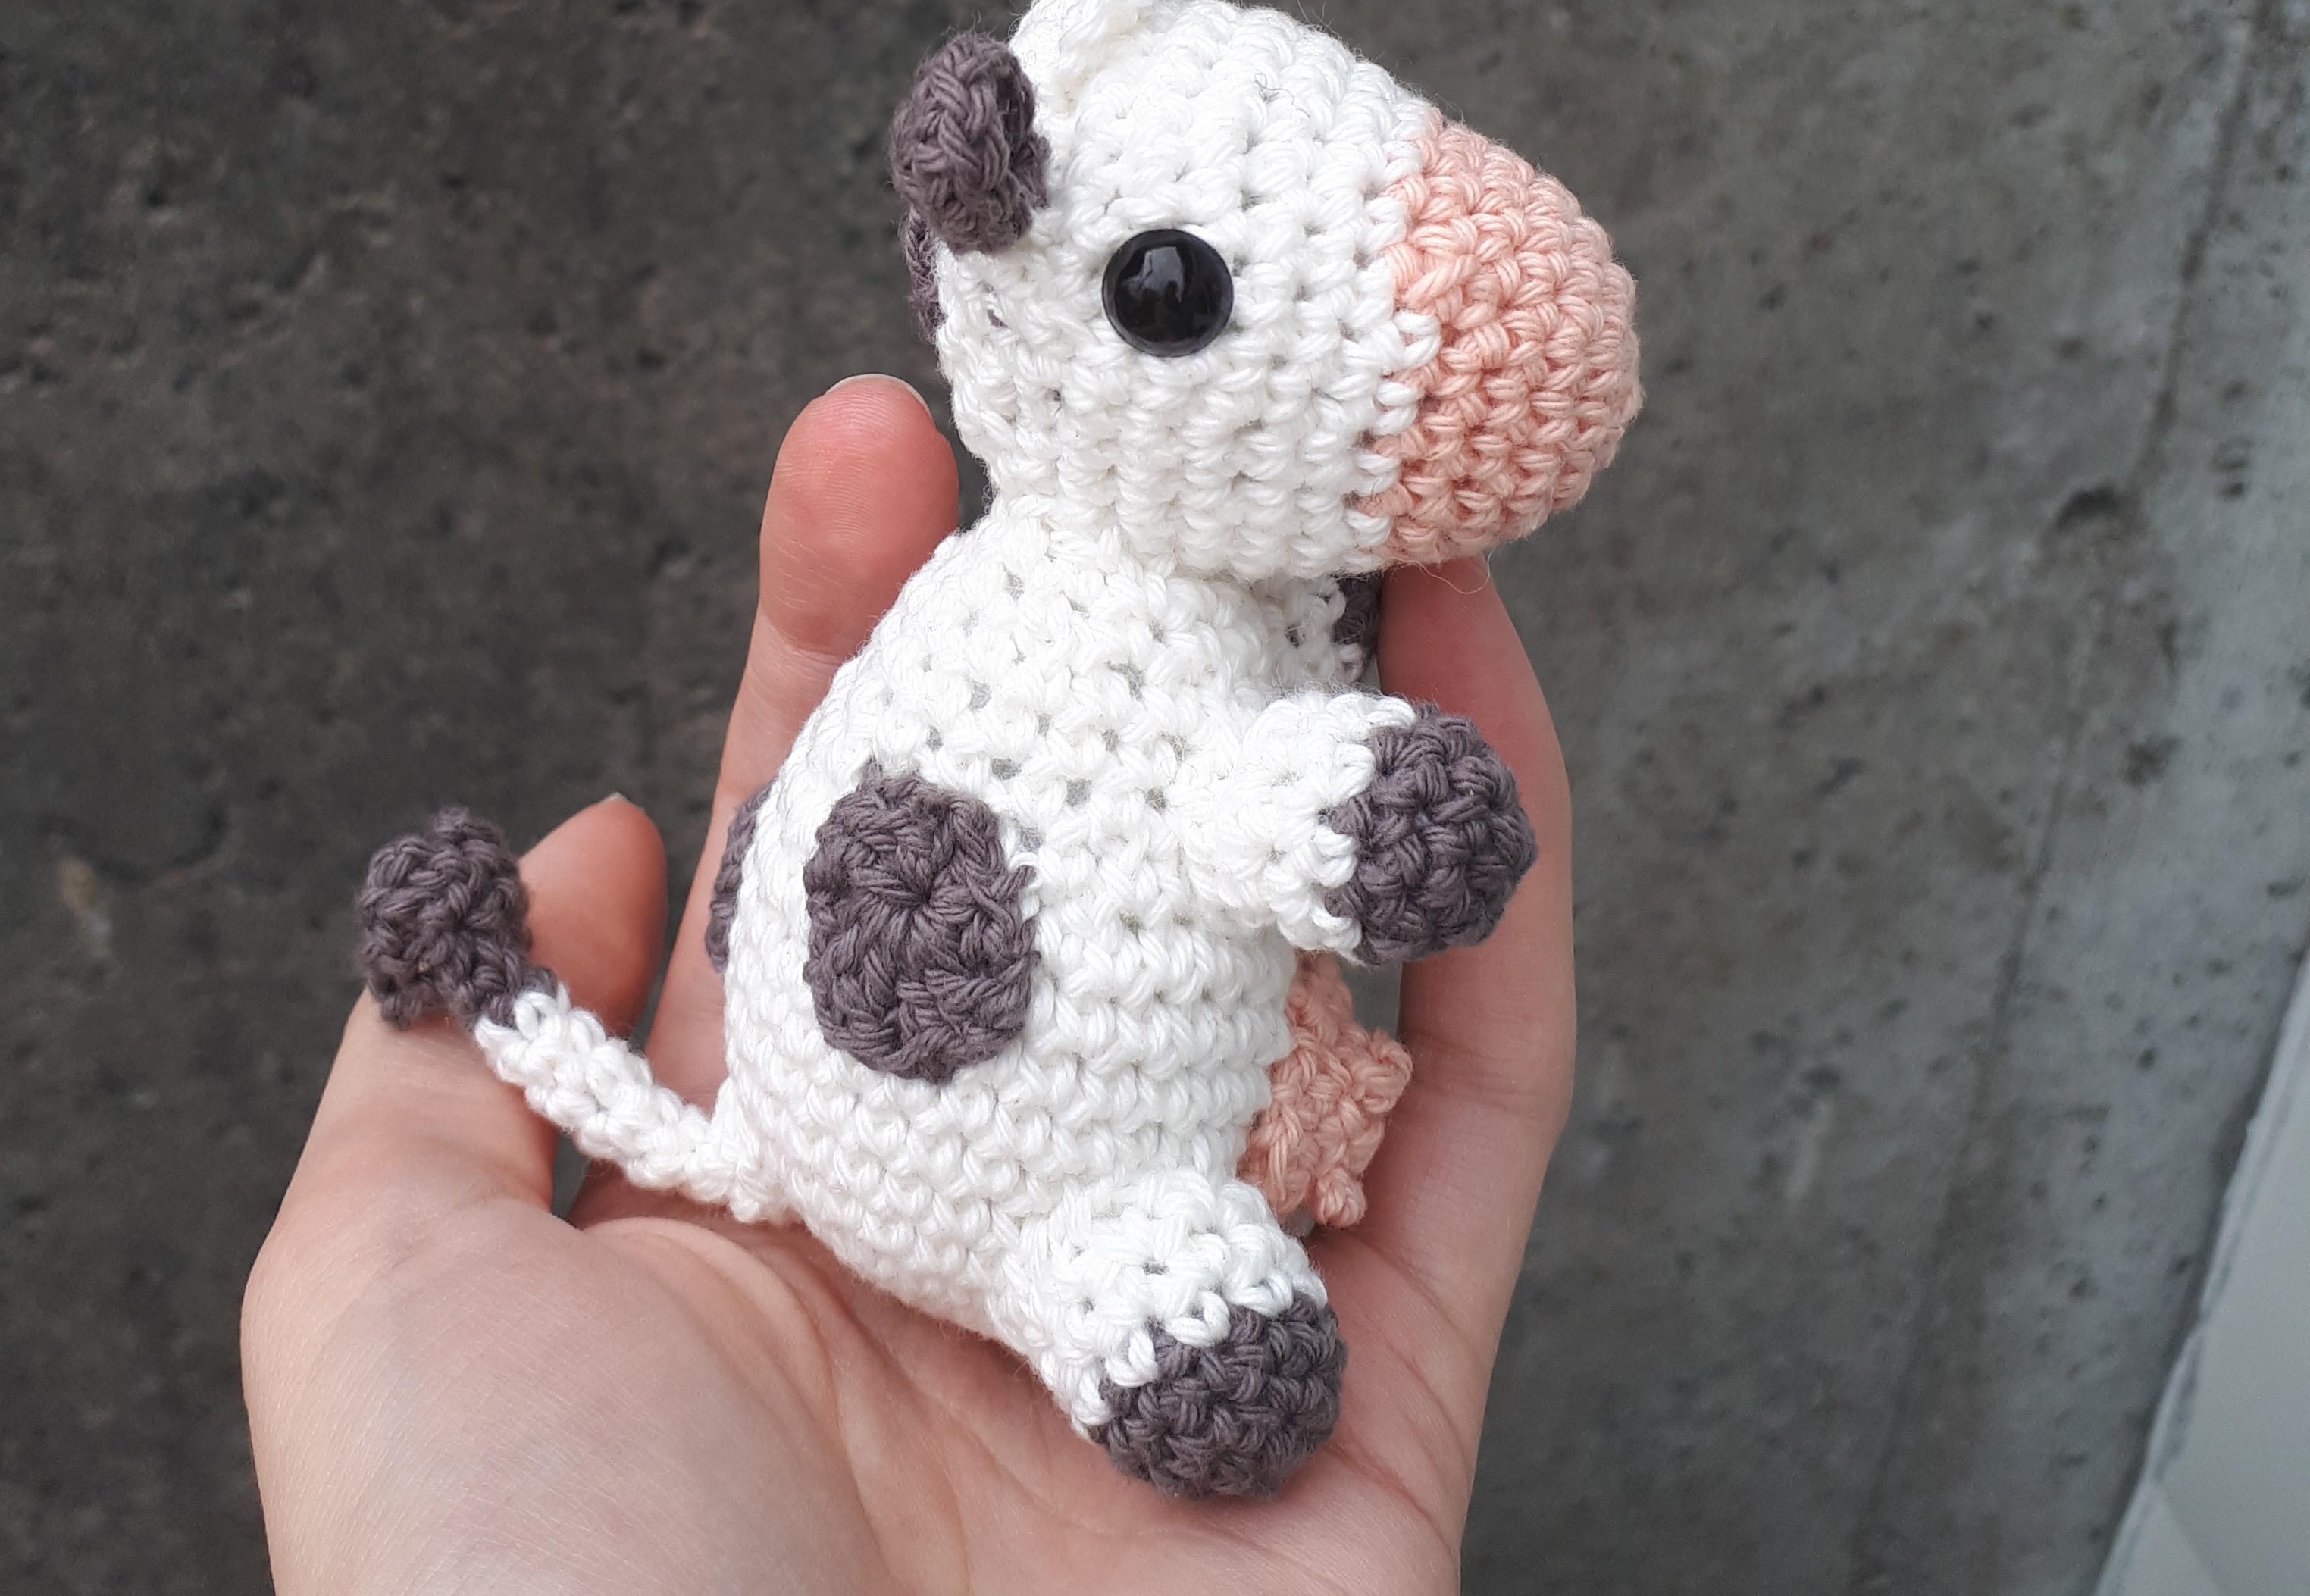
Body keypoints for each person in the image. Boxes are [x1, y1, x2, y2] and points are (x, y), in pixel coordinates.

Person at [241, 374, 1578, 1593]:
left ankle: (1121, 1290)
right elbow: (1287, 814)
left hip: (808, 1112)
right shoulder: (1128, 645)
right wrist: (1370, 821)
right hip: (997, 1186)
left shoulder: (1030, 599)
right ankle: (1124, 1289)